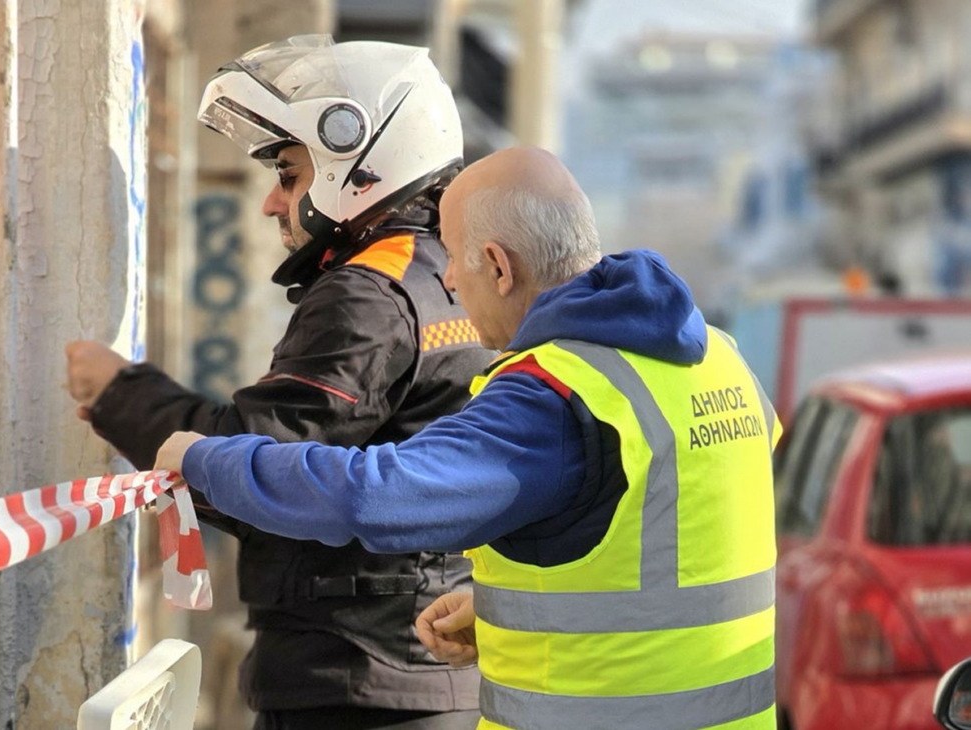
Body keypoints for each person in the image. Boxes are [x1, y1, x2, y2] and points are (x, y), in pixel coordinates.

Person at [156, 147, 783, 730]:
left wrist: (209, 457)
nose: (449, 279)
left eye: (454, 255)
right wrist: (510, 615)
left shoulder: (553, 398)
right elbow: (674, 537)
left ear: (500, 267)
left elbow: (376, 497)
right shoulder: (715, 358)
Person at [66, 35, 491, 730]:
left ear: (360, 167)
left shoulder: (369, 297)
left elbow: (259, 466)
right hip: (425, 674)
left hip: (354, 680)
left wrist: (119, 395)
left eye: (289, 176)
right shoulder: (449, 275)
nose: (271, 204)